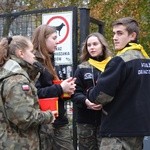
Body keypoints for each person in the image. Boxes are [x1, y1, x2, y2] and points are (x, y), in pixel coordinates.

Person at [87, 17, 150, 150]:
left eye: (120, 33)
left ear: (132, 36)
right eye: (114, 33)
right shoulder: (146, 60)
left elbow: (100, 96)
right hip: (139, 130)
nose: (115, 37)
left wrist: (90, 92)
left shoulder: (120, 61)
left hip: (117, 132)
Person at [0, 35, 56, 149]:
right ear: (21, 53)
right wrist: (49, 115)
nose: (34, 55)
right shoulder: (17, 80)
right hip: (20, 144)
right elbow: (24, 118)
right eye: (31, 51)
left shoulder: (7, 72)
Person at [32, 24, 76, 150]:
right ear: (43, 39)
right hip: (45, 123)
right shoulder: (34, 63)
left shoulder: (50, 60)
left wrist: (66, 91)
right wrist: (60, 88)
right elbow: (35, 92)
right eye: (54, 38)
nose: (58, 41)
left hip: (58, 119)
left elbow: (51, 89)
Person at [72, 32, 112, 150]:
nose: (92, 47)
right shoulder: (82, 68)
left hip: (106, 119)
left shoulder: (112, 65)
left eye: (95, 44)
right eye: (89, 45)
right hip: (86, 120)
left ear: (102, 46)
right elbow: (74, 93)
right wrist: (86, 102)